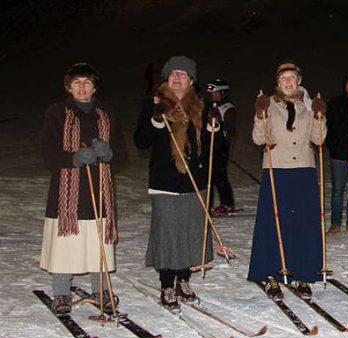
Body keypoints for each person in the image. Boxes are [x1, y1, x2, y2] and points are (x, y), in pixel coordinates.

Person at [39, 63, 125, 315]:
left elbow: (120, 150)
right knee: (66, 242)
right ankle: (62, 292)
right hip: (67, 192)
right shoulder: (57, 112)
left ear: (95, 86)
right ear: (68, 87)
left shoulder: (106, 112)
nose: (82, 87)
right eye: (76, 82)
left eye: (87, 82)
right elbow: (48, 151)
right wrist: (74, 158)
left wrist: (109, 152)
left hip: (99, 188)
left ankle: (100, 291)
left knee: (97, 240)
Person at [134, 55, 216, 311]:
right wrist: (157, 121)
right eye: (173, 74)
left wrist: (216, 130)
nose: (178, 77)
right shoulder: (154, 103)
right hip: (165, 180)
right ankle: (167, 284)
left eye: (183, 74)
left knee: (190, 232)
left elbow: (216, 149)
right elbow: (141, 141)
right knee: (168, 233)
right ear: (167, 79)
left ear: (191, 80)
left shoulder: (200, 106)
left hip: (195, 181)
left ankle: (184, 280)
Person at [248, 60, 326, 300]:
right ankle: (272, 274)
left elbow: (319, 139)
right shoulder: (269, 104)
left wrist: (319, 116)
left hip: (303, 169)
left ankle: (302, 274)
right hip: (277, 169)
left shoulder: (308, 105)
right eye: (284, 78)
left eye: (292, 78)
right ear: (278, 82)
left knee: (303, 223)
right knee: (275, 223)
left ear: (299, 81)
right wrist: (259, 114)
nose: (289, 82)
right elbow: (259, 139)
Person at [326, 72, 348, 235]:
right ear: (345, 85)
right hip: (339, 155)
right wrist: (332, 144)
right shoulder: (334, 103)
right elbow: (327, 126)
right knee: (337, 191)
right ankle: (335, 223)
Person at [205, 79, 238, 215]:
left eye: (215, 92)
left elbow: (230, 131)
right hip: (210, 147)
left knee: (220, 177)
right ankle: (208, 203)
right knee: (209, 177)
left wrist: (225, 146)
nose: (212, 95)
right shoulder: (211, 106)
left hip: (221, 149)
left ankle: (227, 203)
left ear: (222, 92)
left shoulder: (228, 108)